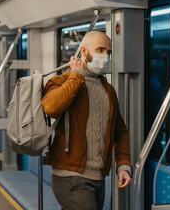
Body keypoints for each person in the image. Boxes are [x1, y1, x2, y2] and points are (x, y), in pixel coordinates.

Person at [42, 31, 132, 210]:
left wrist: (123, 164)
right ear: (83, 52)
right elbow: (51, 107)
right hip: (70, 177)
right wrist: (76, 76)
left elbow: (119, 131)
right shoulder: (60, 81)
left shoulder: (108, 90)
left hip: (98, 178)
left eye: (109, 52)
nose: (106, 56)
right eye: (100, 50)